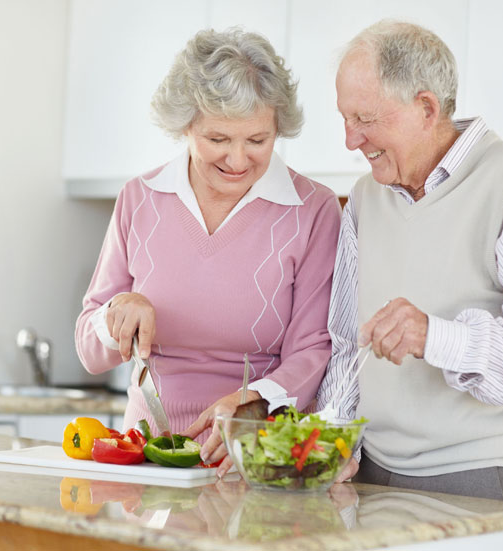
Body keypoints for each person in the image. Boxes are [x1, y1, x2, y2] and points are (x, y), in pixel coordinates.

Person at [316, 20, 503, 551]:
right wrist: (331, 443)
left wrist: (436, 336)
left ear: (426, 108)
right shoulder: (364, 197)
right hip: (368, 477)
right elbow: (345, 344)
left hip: (480, 480)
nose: (350, 140)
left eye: (364, 119)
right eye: (344, 118)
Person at [75, 28, 341, 477]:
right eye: (218, 139)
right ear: (185, 125)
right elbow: (89, 347)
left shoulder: (312, 210)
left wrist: (254, 403)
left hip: (252, 455)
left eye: (257, 140)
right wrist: (116, 313)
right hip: (145, 456)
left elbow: (313, 351)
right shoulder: (140, 198)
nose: (237, 160)